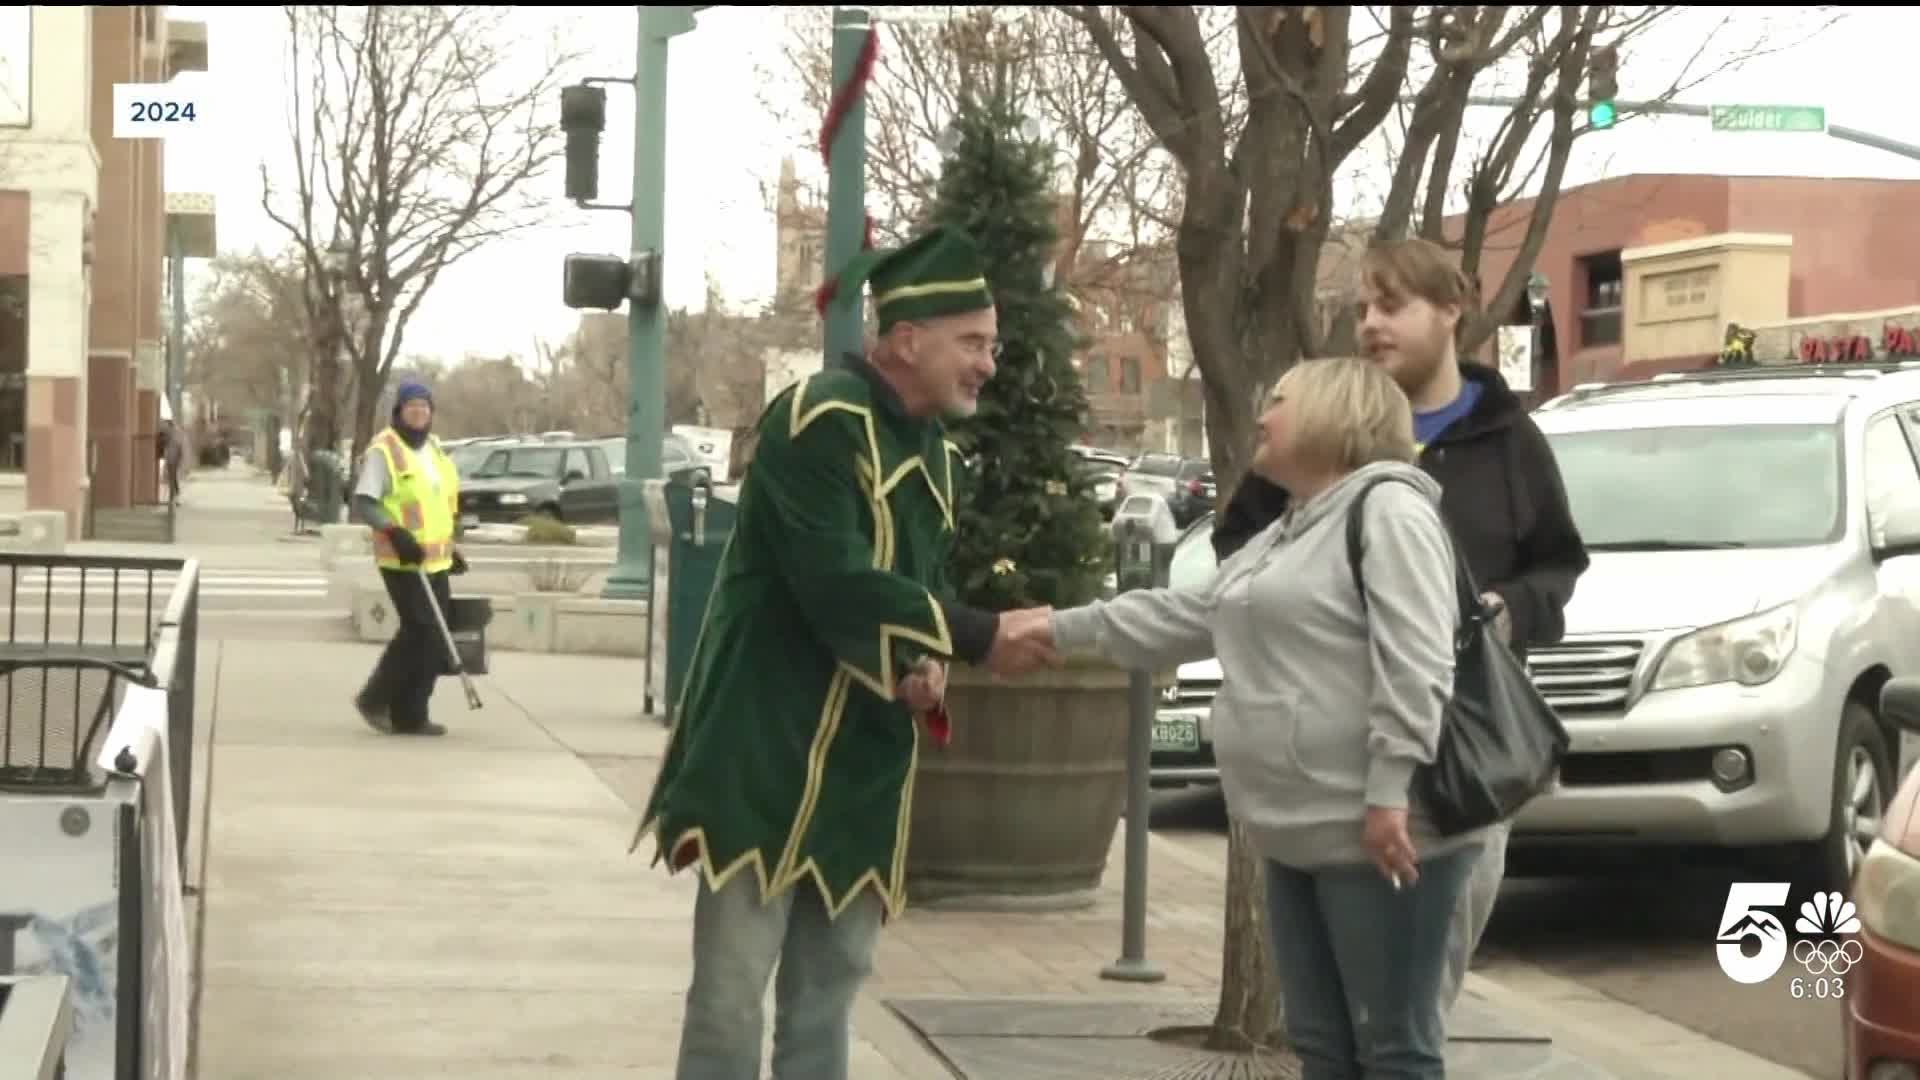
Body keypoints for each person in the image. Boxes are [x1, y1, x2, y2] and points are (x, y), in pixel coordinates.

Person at [634, 225, 1060, 1080]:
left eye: (993, 345)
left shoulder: (936, 455)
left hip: (864, 766)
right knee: (729, 993)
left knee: (828, 998)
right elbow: (834, 579)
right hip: (765, 747)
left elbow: (911, 589)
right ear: (906, 339)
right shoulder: (821, 417)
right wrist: (975, 635)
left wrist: (926, 668)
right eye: (972, 343)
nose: (987, 364)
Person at [1031, 356, 1482, 1077]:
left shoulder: (1390, 510)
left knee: (1393, 1047)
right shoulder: (1291, 525)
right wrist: (1054, 630)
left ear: (1337, 415)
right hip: (1297, 829)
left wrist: (1388, 791)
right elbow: (1190, 614)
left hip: (1383, 833)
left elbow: (1419, 661)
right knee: (1321, 1045)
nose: (1263, 415)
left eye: (1280, 399)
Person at [1212, 237, 1591, 1014]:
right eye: (1361, 310)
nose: (1371, 326)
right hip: (1330, 762)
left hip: (1461, 755)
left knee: (1417, 999)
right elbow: (1236, 556)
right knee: (1328, 1005)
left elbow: (1558, 567)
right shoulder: (1324, 432)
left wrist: (1509, 608)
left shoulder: (1508, 439)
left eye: (1391, 306)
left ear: (1452, 312)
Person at [350, 382, 469, 737]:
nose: (419, 413)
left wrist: (452, 549)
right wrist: (394, 532)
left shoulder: (434, 449)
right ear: (398, 411)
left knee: (435, 636)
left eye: (424, 407)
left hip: (435, 559)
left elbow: (440, 505)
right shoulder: (384, 450)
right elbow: (365, 501)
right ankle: (374, 698)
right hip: (401, 558)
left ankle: (412, 713)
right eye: (412, 407)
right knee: (421, 631)